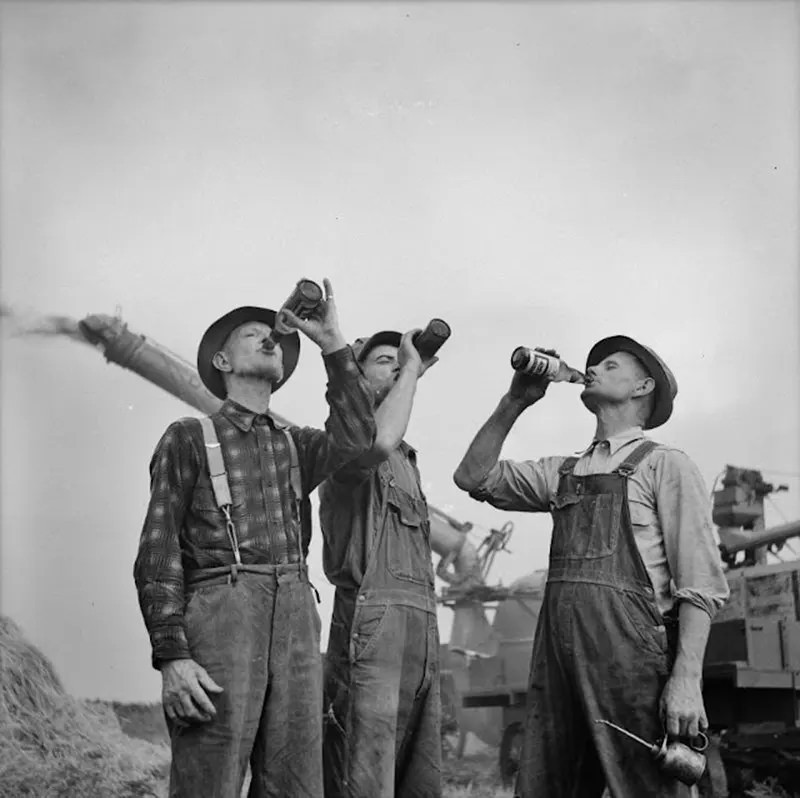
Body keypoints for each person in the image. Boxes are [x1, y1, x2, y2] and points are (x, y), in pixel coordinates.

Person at [453, 336, 729, 797]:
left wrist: (686, 681)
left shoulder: (665, 465)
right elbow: (473, 477)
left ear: (643, 387)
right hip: (557, 670)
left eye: (610, 365)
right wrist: (516, 400)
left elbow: (700, 587)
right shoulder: (562, 472)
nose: (593, 369)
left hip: (632, 668)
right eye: (593, 365)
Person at [133, 279, 375, 798]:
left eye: (275, 339)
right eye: (251, 334)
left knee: (296, 783)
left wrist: (332, 344)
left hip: (295, 619)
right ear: (221, 362)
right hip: (220, 617)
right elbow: (158, 551)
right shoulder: (188, 437)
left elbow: (358, 437)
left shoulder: (297, 445)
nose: (269, 339)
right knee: (209, 780)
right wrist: (172, 657)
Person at [319, 329, 441, 798]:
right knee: (364, 779)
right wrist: (412, 368)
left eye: (400, 359)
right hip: (369, 628)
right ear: (356, 378)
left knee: (418, 780)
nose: (397, 365)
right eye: (384, 360)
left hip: (419, 632)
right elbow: (376, 442)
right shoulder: (344, 443)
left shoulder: (407, 461)